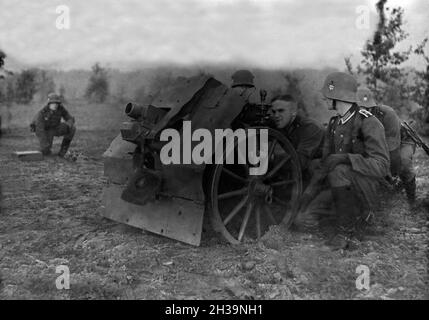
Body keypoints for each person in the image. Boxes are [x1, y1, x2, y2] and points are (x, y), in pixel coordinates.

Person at [305, 72, 390, 250]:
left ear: (338, 97)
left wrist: (346, 158)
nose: (324, 97)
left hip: (368, 188)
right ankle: (343, 216)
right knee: (303, 219)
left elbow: (381, 167)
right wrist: (305, 198)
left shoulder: (368, 122)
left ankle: (347, 231)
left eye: (328, 94)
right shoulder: (334, 123)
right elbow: (325, 163)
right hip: (343, 186)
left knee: (339, 170)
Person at [356, 87, 417, 205]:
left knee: (403, 162)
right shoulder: (357, 119)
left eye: (367, 107)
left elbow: (392, 147)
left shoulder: (387, 113)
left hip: (402, 142)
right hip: (379, 145)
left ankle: (412, 202)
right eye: (360, 108)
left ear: (373, 106)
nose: (364, 110)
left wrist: (388, 171)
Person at [269, 94, 324, 180]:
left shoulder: (310, 127)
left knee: (313, 166)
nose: (276, 115)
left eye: (281, 111)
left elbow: (300, 163)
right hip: (300, 170)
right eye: (273, 112)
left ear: (294, 112)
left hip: (320, 170)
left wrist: (271, 158)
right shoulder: (283, 125)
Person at [30, 93, 75, 157]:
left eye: (57, 103)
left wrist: (68, 125)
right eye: (53, 103)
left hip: (55, 128)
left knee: (72, 128)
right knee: (46, 151)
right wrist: (45, 145)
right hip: (45, 130)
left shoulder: (61, 108)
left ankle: (63, 151)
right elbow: (40, 131)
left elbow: (70, 118)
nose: (55, 105)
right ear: (49, 104)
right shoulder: (42, 113)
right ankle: (45, 150)